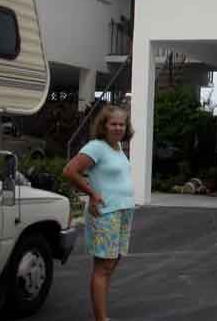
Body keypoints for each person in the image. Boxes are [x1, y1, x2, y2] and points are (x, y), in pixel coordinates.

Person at [63, 105, 135, 321]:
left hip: (122, 211)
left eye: (122, 124)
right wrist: (92, 194)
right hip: (106, 213)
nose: (118, 128)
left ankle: (101, 313)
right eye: (114, 124)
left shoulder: (118, 148)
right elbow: (70, 171)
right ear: (104, 125)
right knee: (103, 267)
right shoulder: (96, 147)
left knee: (111, 264)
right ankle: (101, 318)